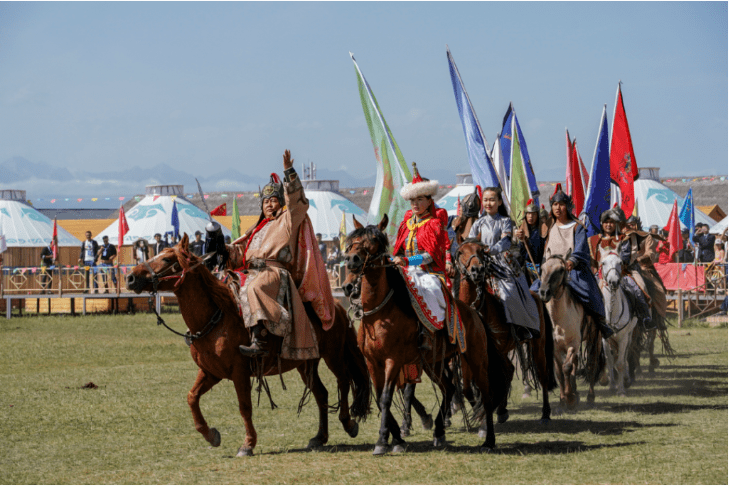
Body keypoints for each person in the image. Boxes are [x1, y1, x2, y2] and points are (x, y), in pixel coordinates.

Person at [224, 150, 335, 360]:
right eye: (265, 201)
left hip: (274, 272)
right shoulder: (255, 229)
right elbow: (239, 256)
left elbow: (298, 202)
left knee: (255, 287)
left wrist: (289, 172)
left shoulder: (288, 219)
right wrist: (222, 249)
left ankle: (261, 340)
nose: (269, 204)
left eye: (274, 200)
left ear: (281, 203)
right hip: (251, 271)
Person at [392, 162, 457, 351]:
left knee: (429, 289)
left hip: (429, 272)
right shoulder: (406, 223)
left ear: (429, 201)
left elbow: (429, 256)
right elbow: (398, 251)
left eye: (420, 199)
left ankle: (428, 332)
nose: (415, 204)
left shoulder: (434, 224)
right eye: (412, 200)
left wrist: (407, 261)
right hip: (406, 270)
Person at [537, 184, 613, 338]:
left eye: (562, 204)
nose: (558, 208)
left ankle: (601, 323)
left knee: (591, 294)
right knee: (532, 294)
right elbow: (544, 249)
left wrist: (571, 260)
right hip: (551, 271)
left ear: (568, 206)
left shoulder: (577, 227)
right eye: (555, 204)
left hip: (573, 270)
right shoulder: (549, 227)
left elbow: (580, 248)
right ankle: (532, 328)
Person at [468, 187, 541, 342]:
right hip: (480, 262)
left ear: (499, 202)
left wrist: (491, 250)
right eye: (485, 199)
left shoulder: (505, 221)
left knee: (508, 291)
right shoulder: (477, 223)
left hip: (500, 262)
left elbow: (506, 241)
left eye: (492, 199)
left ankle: (521, 325)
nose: (488, 203)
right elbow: (470, 243)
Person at [590, 207, 652, 328]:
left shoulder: (624, 238)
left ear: (616, 224)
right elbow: (593, 261)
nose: (609, 225)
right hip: (601, 274)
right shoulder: (595, 240)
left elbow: (625, 257)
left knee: (639, 288)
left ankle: (645, 317)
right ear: (602, 224)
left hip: (623, 272)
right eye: (606, 222)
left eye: (612, 222)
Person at [619, 215, 668, 329]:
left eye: (632, 224)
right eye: (628, 224)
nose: (630, 226)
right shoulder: (622, 236)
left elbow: (650, 253)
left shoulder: (647, 237)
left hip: (643, 268)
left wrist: (637, 259)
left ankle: (657, 317)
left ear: (637, 224)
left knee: (658, 290)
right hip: (624, 268)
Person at [514, 198, 548, 284]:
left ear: (537, 215)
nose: (530, 217)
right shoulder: (522, 229)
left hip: (541, 265)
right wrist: (522, 240)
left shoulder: (543, 229)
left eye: (533, 214)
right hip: (527, 266)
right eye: (528, 214)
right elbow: (520, 252)